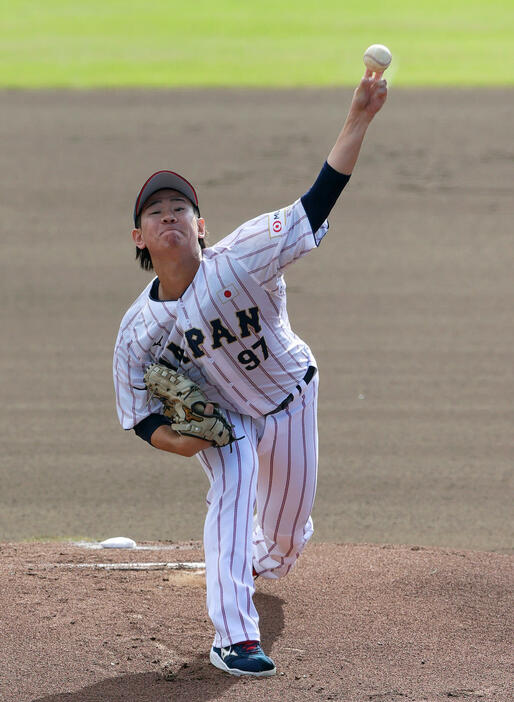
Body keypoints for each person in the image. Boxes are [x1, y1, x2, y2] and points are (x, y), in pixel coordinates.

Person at [113, 71, 387, 677]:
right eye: (156, 213)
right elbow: (141, 412)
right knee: (232, 480)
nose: (170, 217)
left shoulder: (241, 256)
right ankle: (233, 635)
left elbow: (312, 206)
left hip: (290, 397)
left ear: (200, 226)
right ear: (140, 238)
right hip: (225, 416)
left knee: (286, 545)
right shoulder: (138, 332)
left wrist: (357, 120)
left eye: (181, 208)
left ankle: (261, 556)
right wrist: (180, 439)